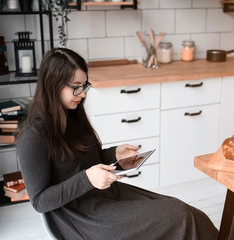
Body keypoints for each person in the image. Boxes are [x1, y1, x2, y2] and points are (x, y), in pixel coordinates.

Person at [16, 48, 218, 240]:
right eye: (76, 87)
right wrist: (87, 179)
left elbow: (80, 163)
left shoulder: (71, 114)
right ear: (53, 84)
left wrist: (115, 156)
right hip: (82, 216)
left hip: (104, 197)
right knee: (179, 214)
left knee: (193, 215)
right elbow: (40, 201)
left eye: (85, 86)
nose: (83, 94)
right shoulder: (32, 137)